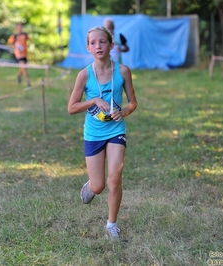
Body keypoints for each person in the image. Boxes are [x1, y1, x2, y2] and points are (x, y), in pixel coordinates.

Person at [67, 26, 138, 241]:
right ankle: (91, 185)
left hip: (116, 130)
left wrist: (124, 111)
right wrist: (93, 101)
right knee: (99, 186)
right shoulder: (84, 75)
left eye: (103, 42)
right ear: (88, 47)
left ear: (111, 45)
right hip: (94, 133)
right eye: (94, 43)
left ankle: (111, 225)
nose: (98, 46)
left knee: (115, 177)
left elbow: (133, 102)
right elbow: (71, 108)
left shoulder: (123, 71)